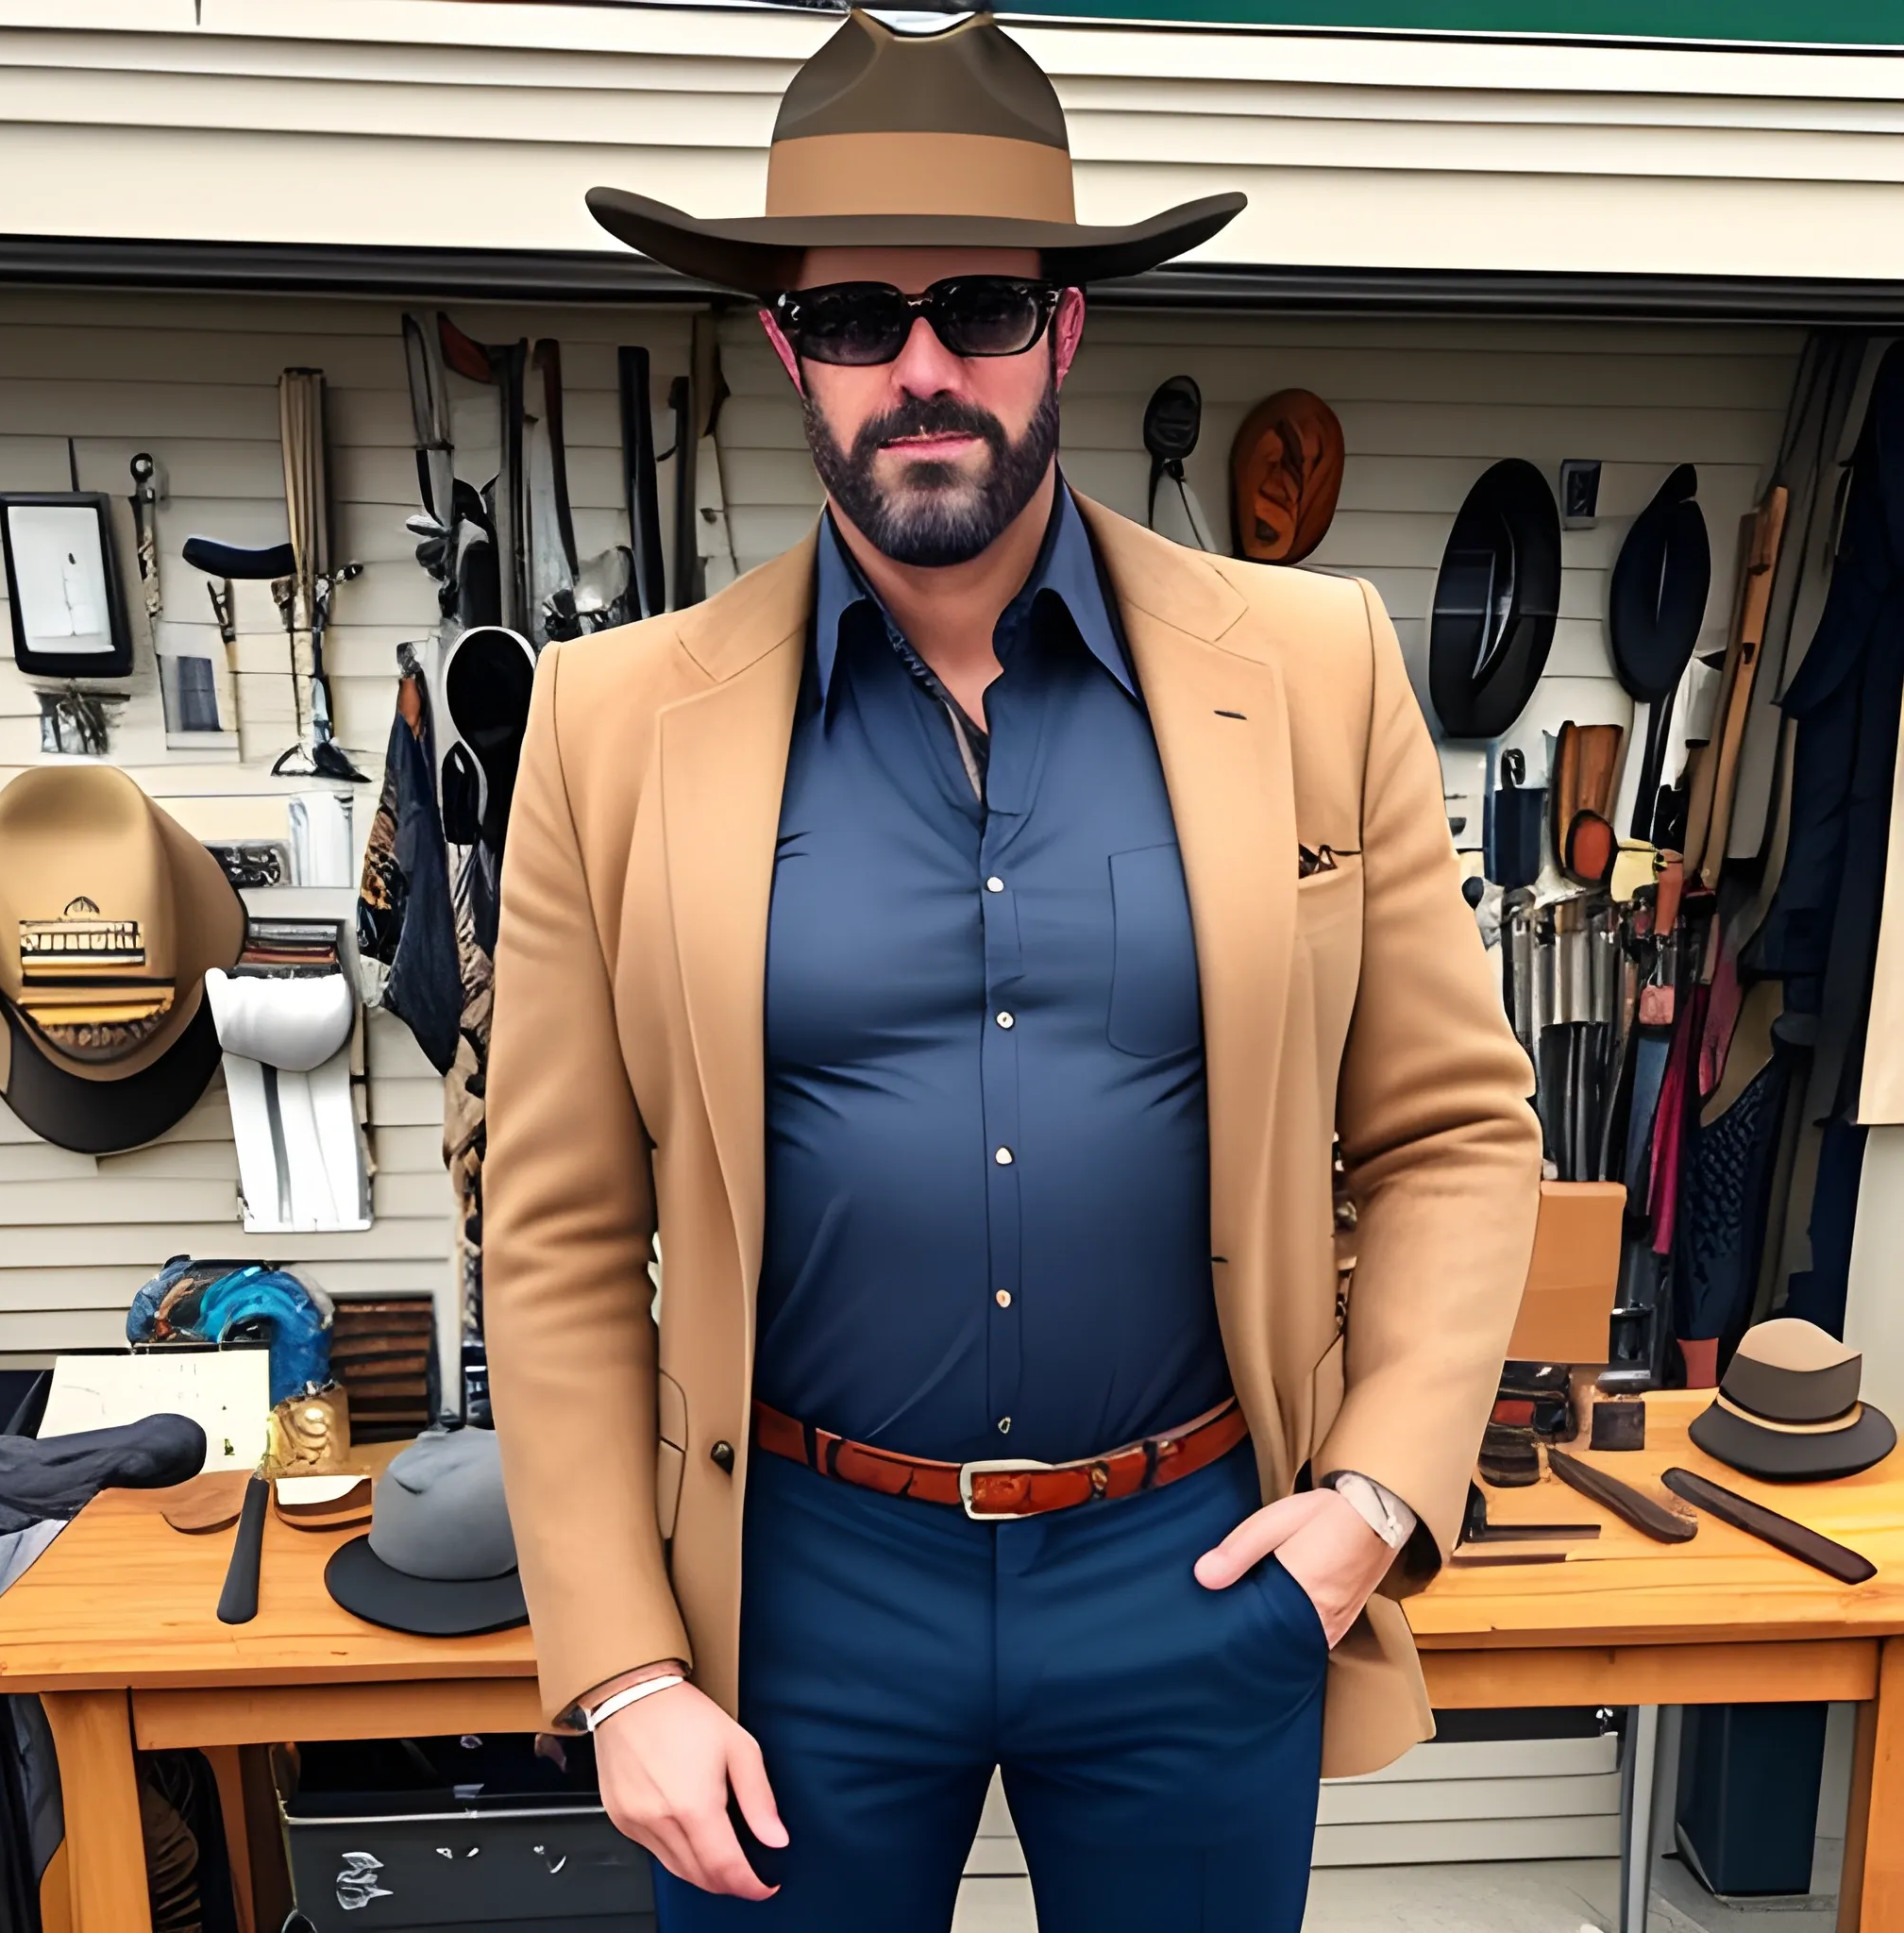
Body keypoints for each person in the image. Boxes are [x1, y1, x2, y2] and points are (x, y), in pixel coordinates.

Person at [486, 13, 1542, 1930]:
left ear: (1063, 330)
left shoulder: (1309, 669)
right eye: (854, 319)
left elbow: (1454, 1129)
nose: (919, 372)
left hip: (1199, 1567)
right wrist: (623, 1665)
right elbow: (555, 1226)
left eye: (977, 305)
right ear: (779, 347)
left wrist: (1374, 1499)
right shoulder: (611, 723)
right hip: (787, 1598)